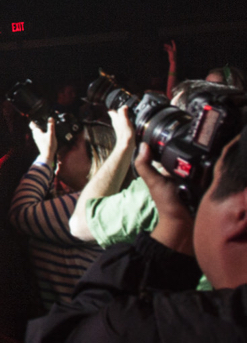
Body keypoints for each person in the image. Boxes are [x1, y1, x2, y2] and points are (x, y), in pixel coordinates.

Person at [26, 117, 247, 341]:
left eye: (214, 182)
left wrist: (46, 158)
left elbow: (79, 331)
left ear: (241, 214)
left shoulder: (180, 326)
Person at [9, 116, 115, 309]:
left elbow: (21, 213)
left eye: (73, 144)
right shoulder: (78, 197)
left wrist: (46, 158)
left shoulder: (92, 205)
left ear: (98, 157)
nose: (62, 149)